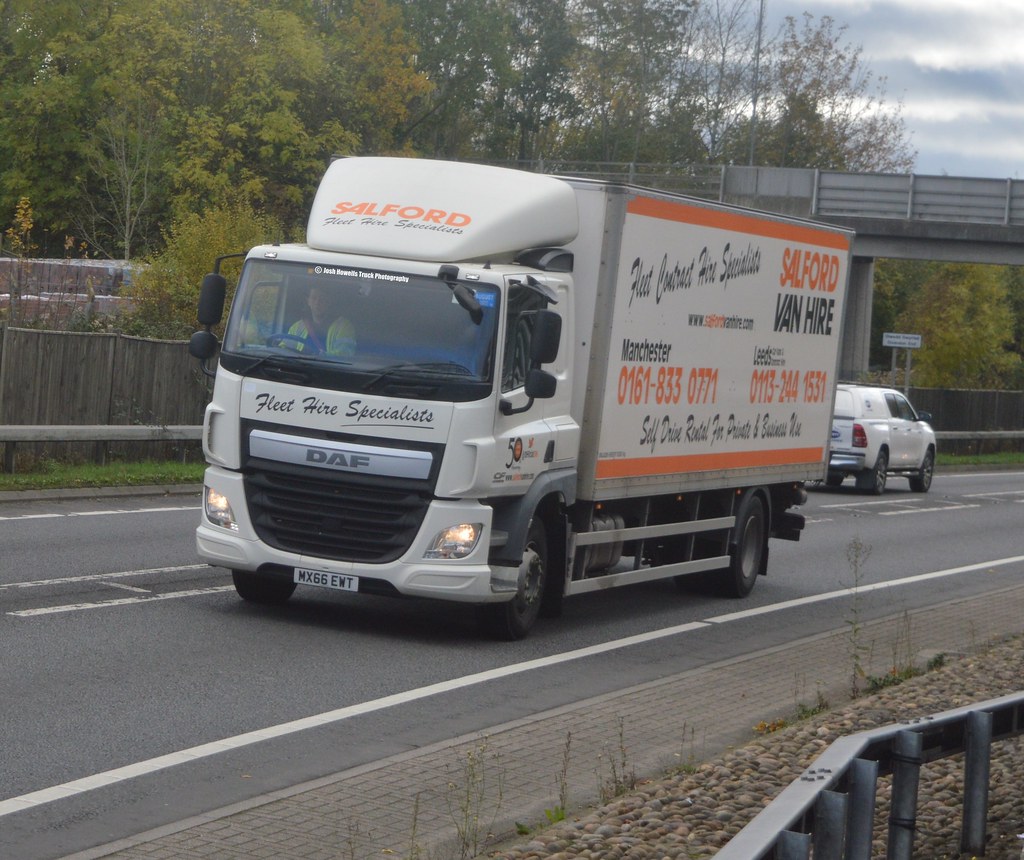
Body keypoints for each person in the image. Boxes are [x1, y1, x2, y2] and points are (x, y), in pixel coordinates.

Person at [287, 284, 356, 356]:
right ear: (308, 301)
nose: (317, 302)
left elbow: (345, 354)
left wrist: (322, 356)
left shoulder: (344, 327)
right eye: (314, 298)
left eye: (322, 298)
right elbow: (285, 348)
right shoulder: (297, 327)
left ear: (329, 302)